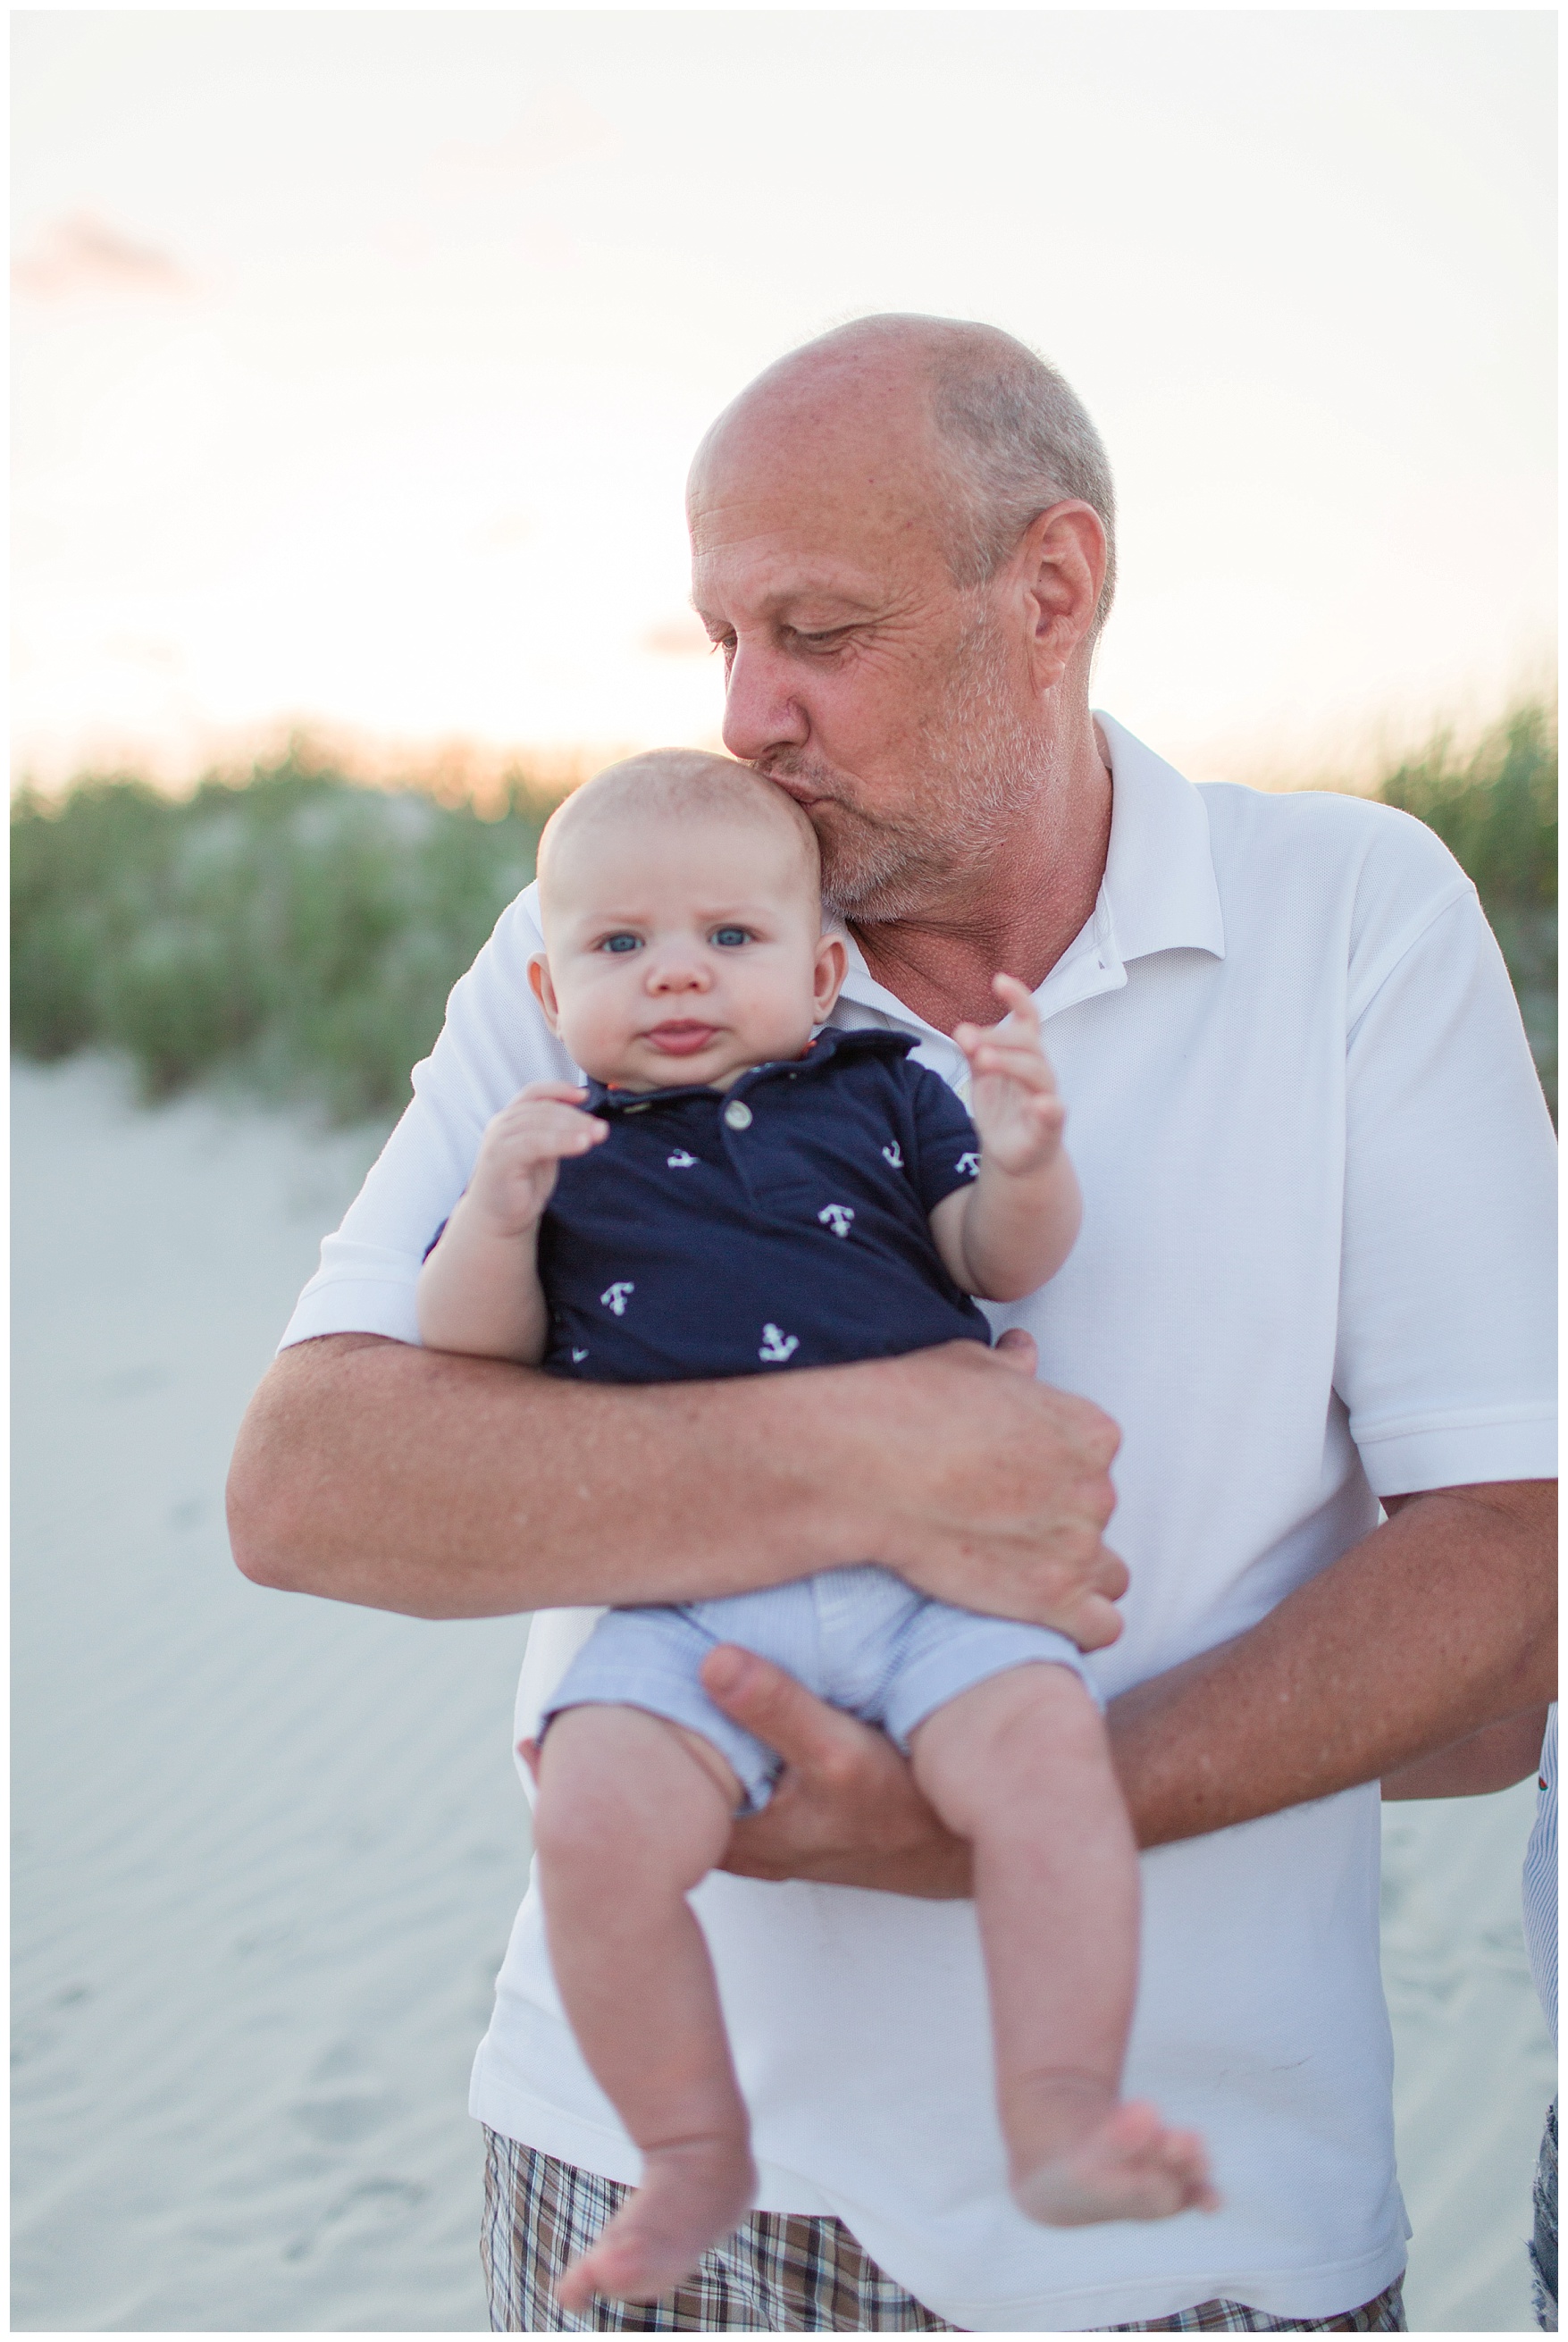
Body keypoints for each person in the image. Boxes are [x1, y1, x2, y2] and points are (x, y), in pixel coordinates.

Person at [228, 315, 1556, 2332]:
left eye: (815, 632)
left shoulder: (1351, 918)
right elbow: (309, 1484)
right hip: (640, 2187)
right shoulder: (621, 932)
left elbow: (1511, 1551)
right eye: (719, 635)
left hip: (1196, 2240)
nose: (746, 711)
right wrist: (870, 1458)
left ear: (1050, 588)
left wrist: (984, 1825)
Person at [415, 749, 1215, 2310]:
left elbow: (1002, 1256)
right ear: (546, 980)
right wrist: (500, 1218)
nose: (677, 977)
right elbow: (470, 1349)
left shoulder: (880, 1092)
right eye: (619, 946)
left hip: (932, 1584)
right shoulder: (561, 1142)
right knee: (587, 1820)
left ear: (823, 968)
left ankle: (1058, 2104)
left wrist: (1032, 1155)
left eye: (730, 937)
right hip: (687, 1605)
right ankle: (693, 2143)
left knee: (1052, 1777)